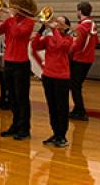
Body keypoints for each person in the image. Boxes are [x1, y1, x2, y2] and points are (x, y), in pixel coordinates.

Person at [0, 0, 36, 141]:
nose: (10, 8)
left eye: (13, 6)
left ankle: (25, 128)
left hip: (21, 64)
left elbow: (17, 33)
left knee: (21, 97)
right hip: (9, 63)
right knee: (12, 97)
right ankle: (15, 125)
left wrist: (9, 18)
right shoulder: (12, 21)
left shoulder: (29, 22)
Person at [32, 16, 74, 148]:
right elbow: (35, 46)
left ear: (65, 26)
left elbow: (62, 45)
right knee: (52, 107)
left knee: (62, 107)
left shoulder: (69, 39)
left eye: (60, 22)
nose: (56, 23)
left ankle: (62, 135)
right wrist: (41, 29)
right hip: (48, 76)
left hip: (61, 77)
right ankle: (55, 133)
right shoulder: (49, 38)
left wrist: (54, 30)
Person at [69, 2, 98, 121]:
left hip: (79, 59)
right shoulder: (92, 25)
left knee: (74, 86)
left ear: (80, 11)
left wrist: (68, 52)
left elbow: (76, 45)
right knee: (77, 85)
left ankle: (80, 111)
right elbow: (96, 41)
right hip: (89, 59)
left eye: (77, 10)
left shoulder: (81, 27)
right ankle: (77, 109)